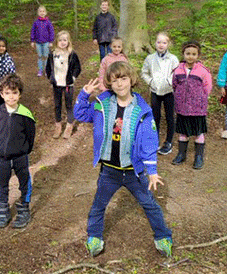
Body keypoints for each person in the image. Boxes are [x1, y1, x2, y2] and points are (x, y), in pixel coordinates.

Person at [73, 61, 173, 258]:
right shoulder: (103, 104)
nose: (119, 84)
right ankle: (94, 236)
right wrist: (84, 94)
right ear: (109, 83)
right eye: (114, 80)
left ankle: (163, 236)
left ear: (131, 80)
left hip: (133, 172)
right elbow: (80, 114)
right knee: (98, 205)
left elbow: (149, 141)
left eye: (123, 79)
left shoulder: (142, 109)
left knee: (149, 204)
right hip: (109, 171)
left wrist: (151, 171)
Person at [0, 75, 36, 229]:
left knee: (24, 182)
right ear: (1, 94)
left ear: (19, 94)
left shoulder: (25, 114)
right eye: (7, 93)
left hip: (20, 156)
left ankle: (24, 209)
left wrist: (24, 150)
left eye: (14, 93)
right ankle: (3, 211)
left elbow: (30, 135)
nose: (11, 96)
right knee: (2, 183)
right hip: (2, 157)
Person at [171, 41, 212, 170]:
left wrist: (200, 99)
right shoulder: (177, 70)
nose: (190, 56)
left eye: (194, 54)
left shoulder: (203, 71)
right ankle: (181, 154)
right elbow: (174, 85)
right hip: (182, 108)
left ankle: (198, 156)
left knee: (198, 132)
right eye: (188, 53)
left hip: (197, 109)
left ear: (198, 55)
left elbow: (207, 87)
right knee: (183, 132)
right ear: (183, 54)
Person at [141, 32, 180, 155]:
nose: (161, 45)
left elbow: (177, 73)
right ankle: (154, 140)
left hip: (169, 91)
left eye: (164, 42)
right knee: (155, 117)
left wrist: (170, 82)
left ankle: (168, 141)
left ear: (168, 44)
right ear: (155, 43)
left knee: (170, 117)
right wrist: (150, 81)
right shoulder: (150, 58)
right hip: (155, 91)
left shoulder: (173, 59)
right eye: (159, 42)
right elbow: (144, 72)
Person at [46, 30, 81, 139]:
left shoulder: (72, 54)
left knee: (69, 105)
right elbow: (48, 67)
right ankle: (58, 125)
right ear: (57, 41)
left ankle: (69, 125)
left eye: (65, 40)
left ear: (68, 41)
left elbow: (77, 67)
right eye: (60, 40)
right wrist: (51, 78)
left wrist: (73, 78)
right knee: (57, 105)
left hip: (67, 85)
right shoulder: (53, 53)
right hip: (57, 84)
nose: (62, 42)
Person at [30, 5, 55, 77]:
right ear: (38, 13)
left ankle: (47, 70)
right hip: (38, 42)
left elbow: (51, 32)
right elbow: (33, 31)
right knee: (40, 56)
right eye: (40, 11)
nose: (42, 13)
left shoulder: (48, 22)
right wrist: (32, 41)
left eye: (43, 11)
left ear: (46, 13)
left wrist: (51, 41)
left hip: (46, 42)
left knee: (46, 56)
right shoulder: (36, 22)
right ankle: (40, 70)